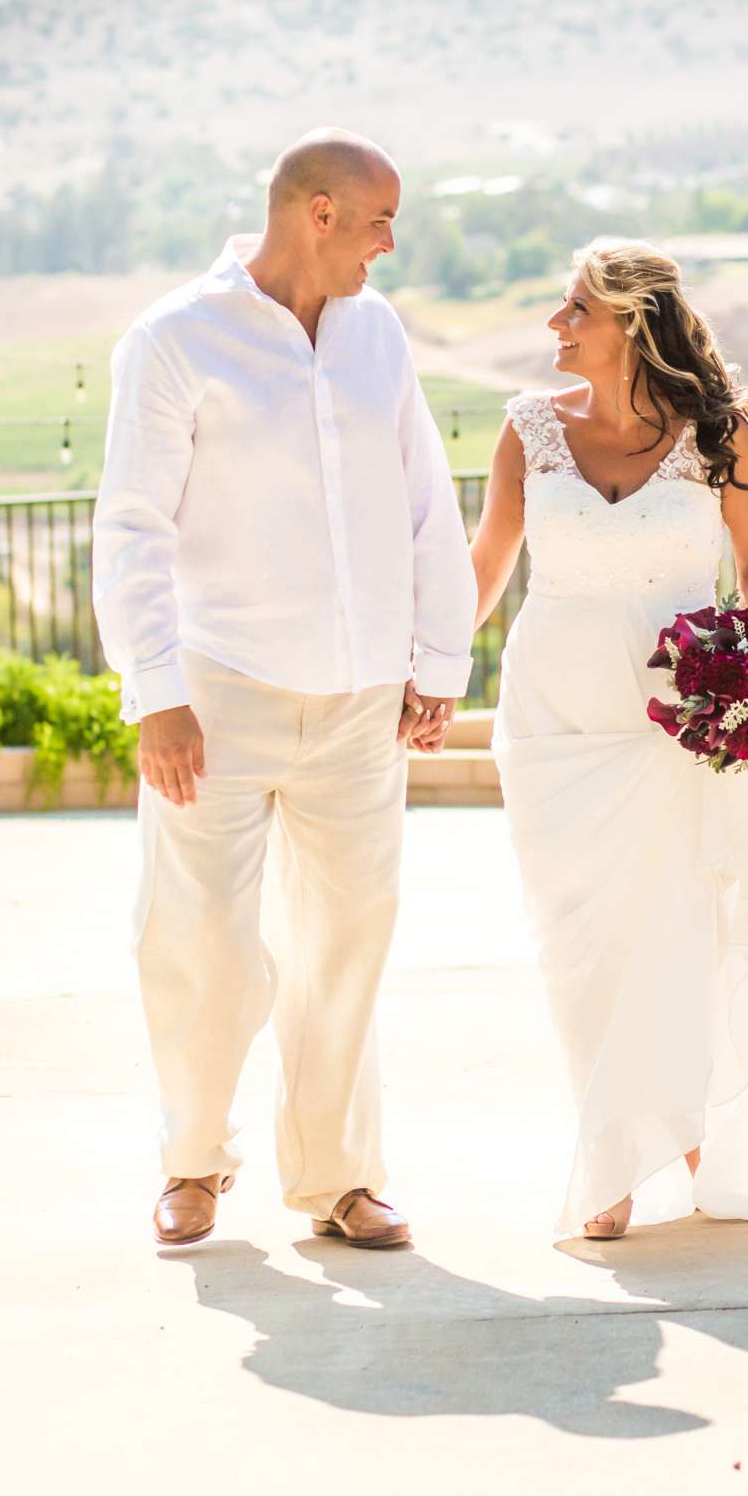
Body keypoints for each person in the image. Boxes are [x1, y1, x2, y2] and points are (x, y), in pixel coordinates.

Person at [92, 128, 476, 1250]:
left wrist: (435, 662)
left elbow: (423, 500)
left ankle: (340, 1178)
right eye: (377, 222)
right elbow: (131, 524)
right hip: (216, 698)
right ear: (316, 212)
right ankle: (193, 1164)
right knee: (197, 938)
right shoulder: (173, 340)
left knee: (348, 939)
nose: (389, 245)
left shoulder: (378, 335)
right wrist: (154, 689)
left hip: (361, 705)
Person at [469, 240, 748, 1240]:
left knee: (679, 927)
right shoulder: (528, 430)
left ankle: (668, 1144)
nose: (555, 324)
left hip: (674, 716)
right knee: (577, 937)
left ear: (630, 324)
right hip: (551, 713)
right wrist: (429, 669)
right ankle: (616, 1149)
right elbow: (486, 567)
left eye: (574, 308)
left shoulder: (718, 433)